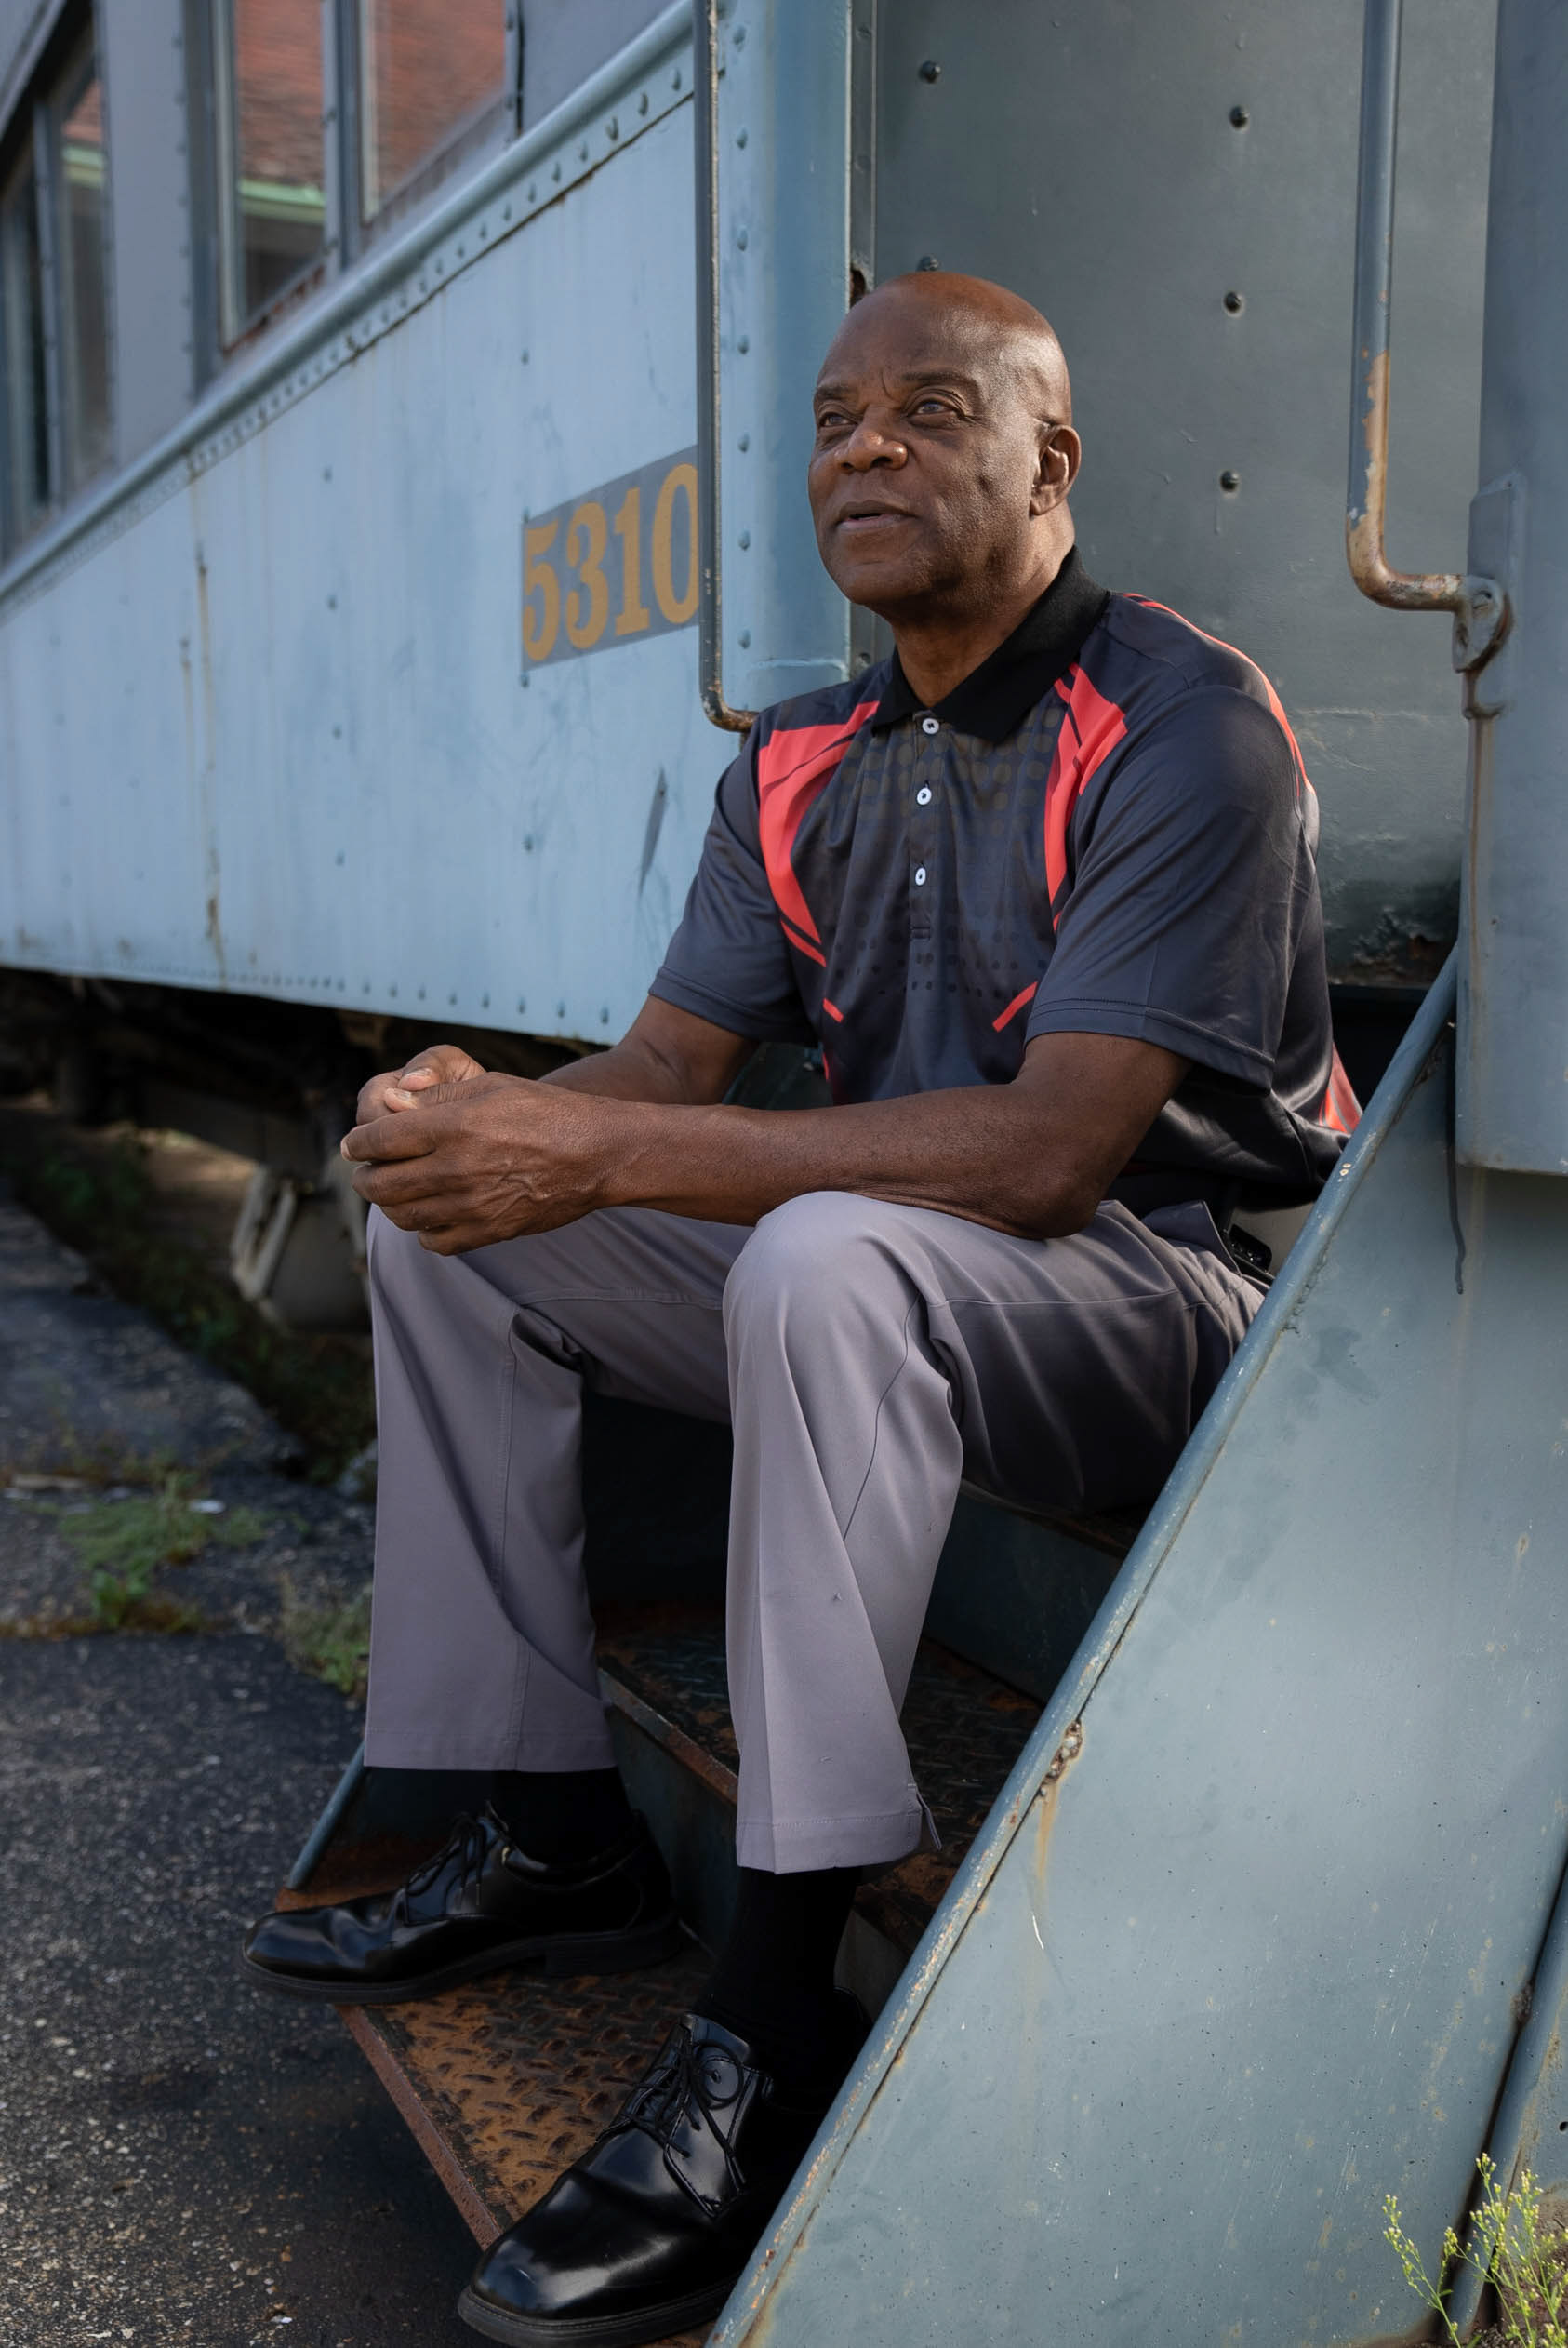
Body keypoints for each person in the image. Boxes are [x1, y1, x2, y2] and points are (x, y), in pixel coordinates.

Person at [242, 271, 1354, 2346]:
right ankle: (553, 1821)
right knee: (452, 1222)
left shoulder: (1185, 715)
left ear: (1053, 459)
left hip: (1171, 1305)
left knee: (825, 1248)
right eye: (839, 418)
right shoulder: (804, 751)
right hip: (896, 1282)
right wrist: (473, 1113)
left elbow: (1049, 1160)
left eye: (933, 411)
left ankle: (762, 2025)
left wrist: (610, 1153)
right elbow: (656, 1080)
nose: (867, 449)